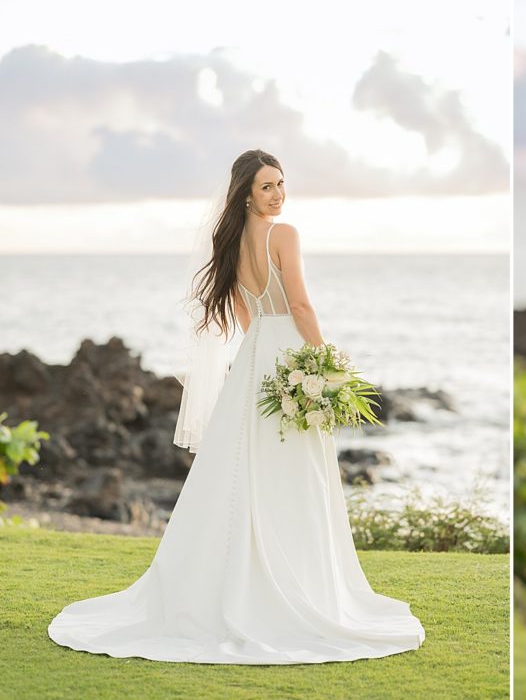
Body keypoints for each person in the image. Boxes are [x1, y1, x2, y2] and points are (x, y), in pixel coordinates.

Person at [48, 149, 425, 664]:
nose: (278, 194)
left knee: (242, 470)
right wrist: (323, 363)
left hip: (255, 362)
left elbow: (246, 311)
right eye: (267, 185)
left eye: (281, 184)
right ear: (246, 191)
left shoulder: (229, 244)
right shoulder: (283, 235)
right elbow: (299, 306)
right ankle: (291, 587)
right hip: (291, 355)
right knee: (292, 473)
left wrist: (265, 355)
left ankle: (236, 582)